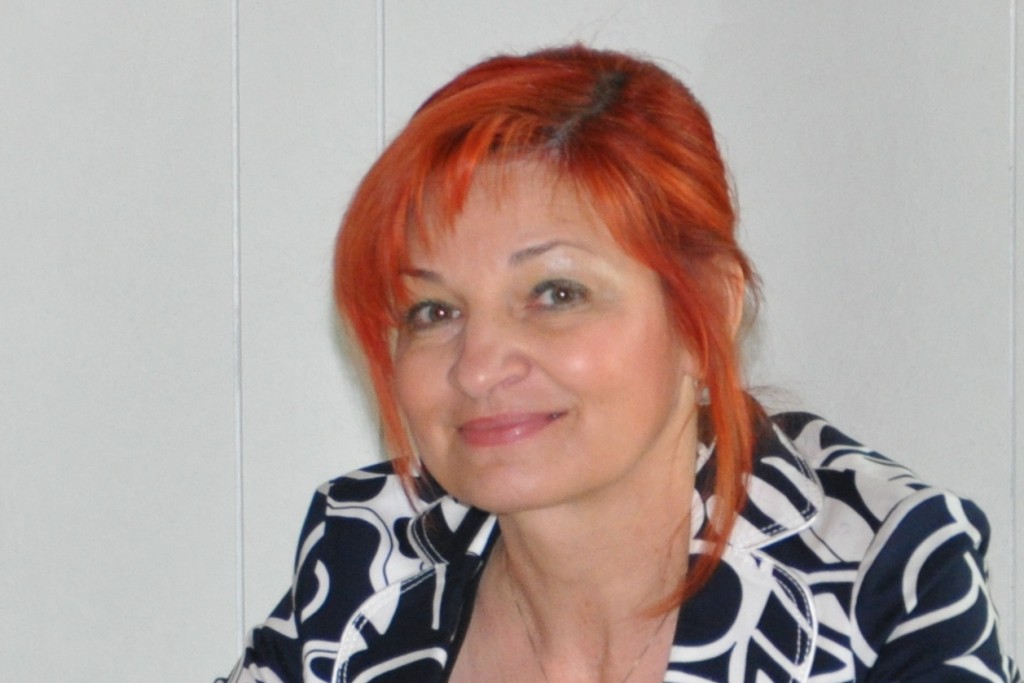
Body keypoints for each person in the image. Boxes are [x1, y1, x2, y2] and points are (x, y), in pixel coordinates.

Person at [222, 45, 1018, 683]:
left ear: (706, 311)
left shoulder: (883, 579)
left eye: (555, 293)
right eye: (433, 310)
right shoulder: (368, 555)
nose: (478, 367)